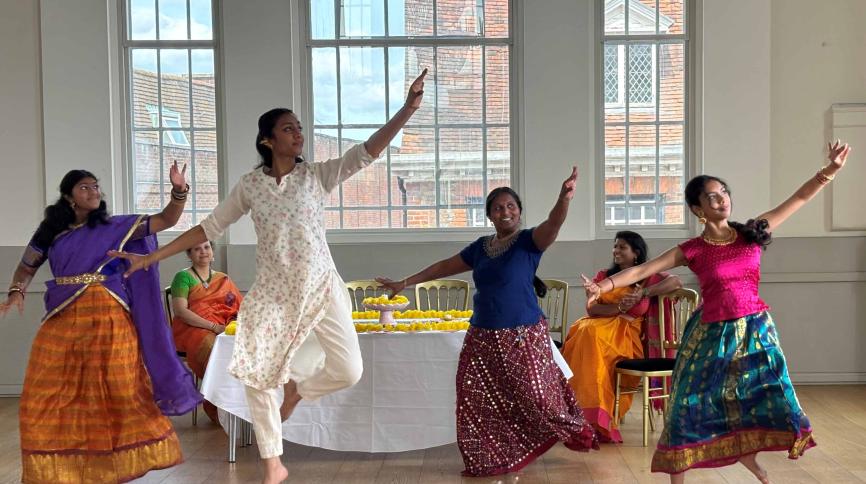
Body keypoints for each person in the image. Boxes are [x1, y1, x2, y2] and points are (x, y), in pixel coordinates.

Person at [111, 69, 428, 484]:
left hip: (322, 288)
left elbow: (367, 151)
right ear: (268, 140)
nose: (298, 133)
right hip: (274, 295)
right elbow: (207, 228)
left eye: (299, 127)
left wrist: (407, 109)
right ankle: (271, 462)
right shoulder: (250, 186)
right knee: (255, 371)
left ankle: (298, 391)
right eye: (288, 128)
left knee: (349, 371)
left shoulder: (316, 176)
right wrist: (152, 259)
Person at [582, 141, 852, 483]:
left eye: (724, 192)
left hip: (755, 329)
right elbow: (640, 270)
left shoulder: (751, 233)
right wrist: (602, 287)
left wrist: (830, 170)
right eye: (711, 196)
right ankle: (678, 475)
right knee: (686, 404)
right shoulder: (692, 249)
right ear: (698, 208)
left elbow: (796, 200)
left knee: (764, 397)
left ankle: (749, 457)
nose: (721, 198)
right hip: (710, 333)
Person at [377, 170, 599, 477]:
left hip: (522, 333)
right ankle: (490, 457)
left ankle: (576, 429)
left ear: (519, 212)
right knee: (476, 399)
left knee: (537, 396)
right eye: (498, 208)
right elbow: (445, 266)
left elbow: (554, 223)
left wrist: (564, 198)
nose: (505, 212)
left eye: (511, 206)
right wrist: (405, 282)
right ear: (489, 216)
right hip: (482, 334)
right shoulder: (481, 247)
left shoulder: (529, 242)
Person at [0, 167, 201, 483]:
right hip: (63, 316)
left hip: (109, 318)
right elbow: (25, 267)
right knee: (43, 393)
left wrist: (179, 192)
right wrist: (15, 292)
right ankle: (62, 468)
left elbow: (166, 220)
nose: (94, 191)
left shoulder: (113, 226)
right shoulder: (49, 232)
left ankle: (111, 468)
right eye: (85, 187)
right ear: (69, 197)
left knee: (119, 391)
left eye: (96, 186)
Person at [561, 231, 681, 442]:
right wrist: (618, 306)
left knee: (590, 335)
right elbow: (592, 310)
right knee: (584, 332)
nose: (616, 251)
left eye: (622, 247)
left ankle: (594, 419)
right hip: (597, 330)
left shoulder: (647, 278)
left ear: (636, 253)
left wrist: (644, 293)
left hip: (626, 337)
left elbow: (676, 282)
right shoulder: (603, 276)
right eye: (615, 246)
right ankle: (579, 416)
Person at [170, 240, 243, 422]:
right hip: (191, 329)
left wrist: (229, 325)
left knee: (237, 346)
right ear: (189, 254)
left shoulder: (223, 279)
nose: (203, 252)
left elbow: (238, 308)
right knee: (211, 347)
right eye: (197, 248)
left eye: (207, 247)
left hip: (222, 326)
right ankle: (216, 406)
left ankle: (237, 404)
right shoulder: (183, 277)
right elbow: (181, 311)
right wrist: (213, 327)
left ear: (212, 252)